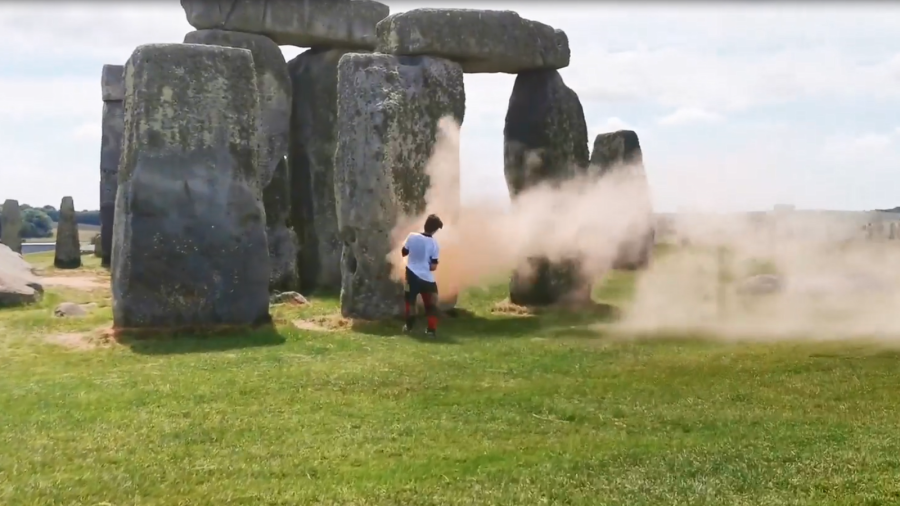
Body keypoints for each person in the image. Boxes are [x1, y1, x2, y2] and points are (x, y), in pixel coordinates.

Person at [401, 214, 443, 337]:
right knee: (431, 306)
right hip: (428, 279)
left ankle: (409, 327)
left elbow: (404, 252)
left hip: (411, 276)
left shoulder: (411, 236)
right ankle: (431, 331)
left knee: (410, 302)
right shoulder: (435, 244)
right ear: (435, 230)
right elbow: (433, 267)